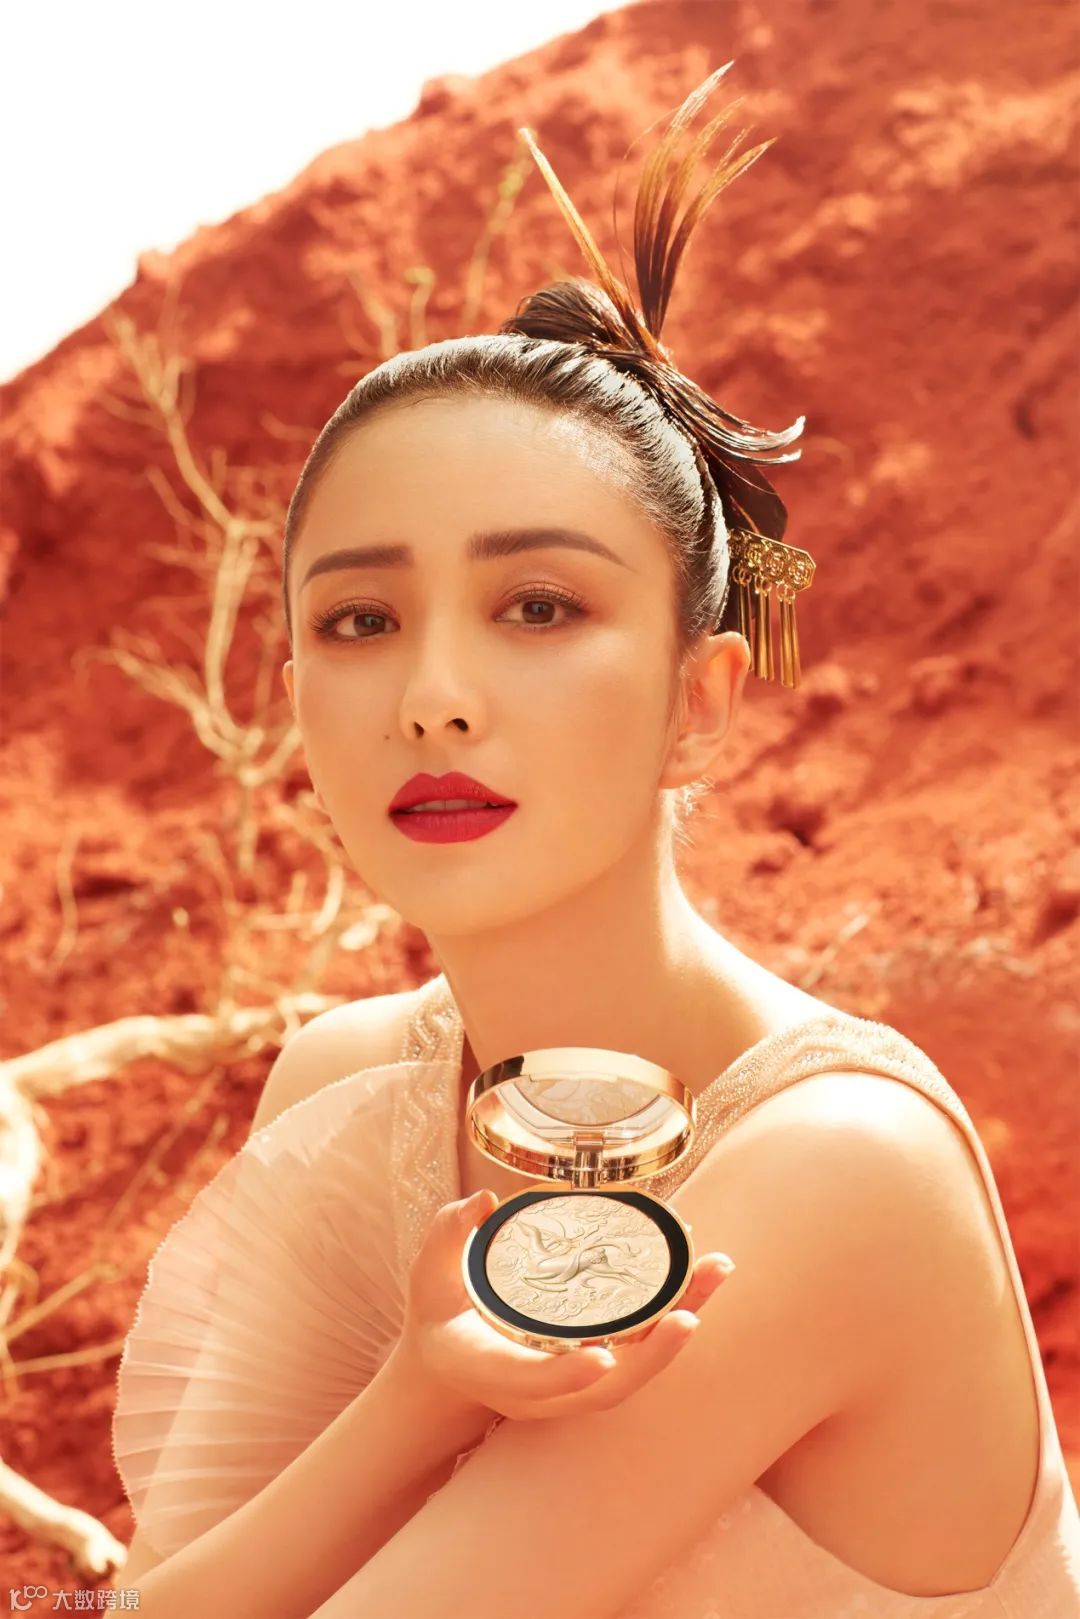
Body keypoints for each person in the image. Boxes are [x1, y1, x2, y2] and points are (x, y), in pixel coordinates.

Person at [111, 62, 1080, 1618]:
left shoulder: (838, 1170)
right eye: (360, 621)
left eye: (539, 606)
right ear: (292, 701)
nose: (432, 697)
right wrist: (415, 1400)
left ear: (700, 702)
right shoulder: (348, 1093)